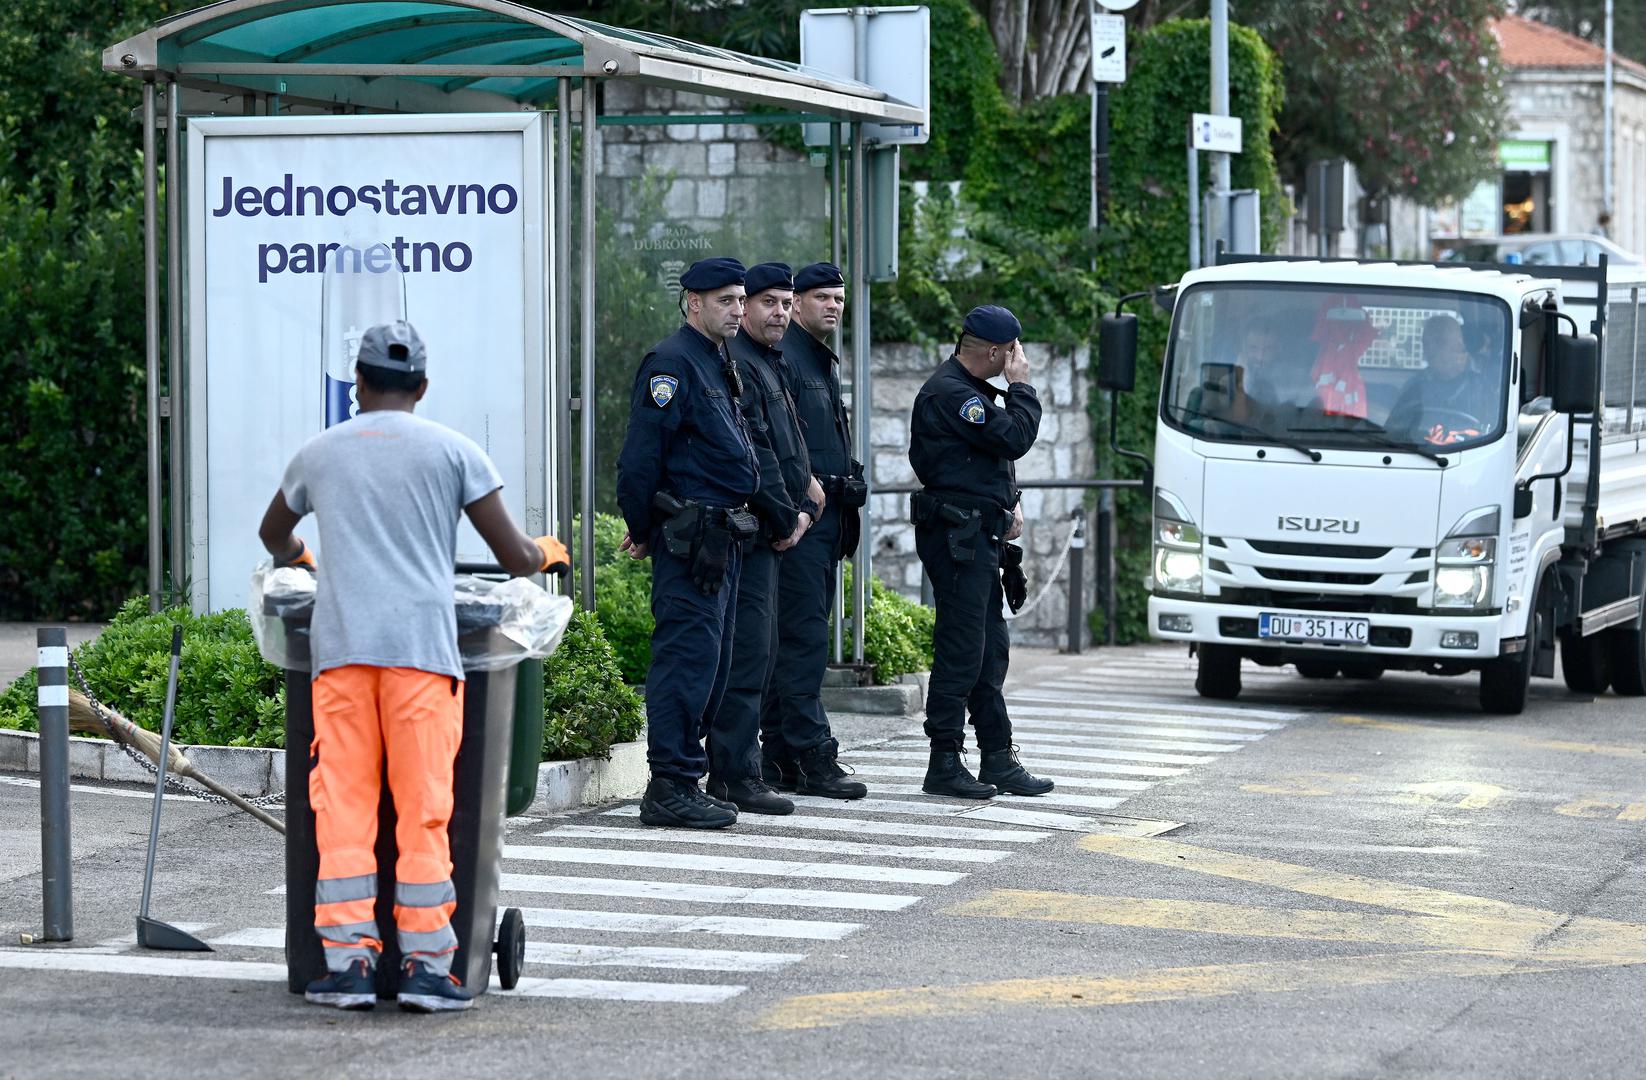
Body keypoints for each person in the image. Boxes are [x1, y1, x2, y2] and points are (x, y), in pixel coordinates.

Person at [257, 321, 568, 1013]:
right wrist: (546, 549)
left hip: (339, 658)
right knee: (426, 811)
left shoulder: (320, 453)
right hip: (424, 659)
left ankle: (348, 967)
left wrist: (301, 561)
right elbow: (515, 558)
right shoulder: (456, 453)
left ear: (357, 385)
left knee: (343, 811)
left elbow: (274, 534)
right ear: (422, 387)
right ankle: (428, 968)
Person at [616, 256, 761, 829]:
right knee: (686, 659)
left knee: (714, 663)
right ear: (693, 302)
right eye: (726, 300)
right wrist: (644, 525)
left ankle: (684, 778)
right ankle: (669, 785)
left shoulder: (715, 360)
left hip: (719, 536)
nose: (737, 310)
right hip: (689, 537)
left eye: (740, 299)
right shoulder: (671, 363)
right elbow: (640, 457)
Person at [908, 305, 1054, 800]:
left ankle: (997, 755)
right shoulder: (951, 393)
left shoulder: (970, 392)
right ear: (995, 351)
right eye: (1013, 351)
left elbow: (987, 462)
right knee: (962, 648)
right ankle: (944, 760)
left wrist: (1007, 504)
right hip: (956, 538)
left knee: (989, 651)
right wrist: (1022, 388)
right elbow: (1013, 437)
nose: (1019, 359)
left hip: (977, 536)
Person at [704, 262, 824, 816]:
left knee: (764, 651)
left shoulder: (770, 362)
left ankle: (750, 768)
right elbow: (759, 456)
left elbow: (788, 445)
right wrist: (789, 516)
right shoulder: (743, 366)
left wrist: (806, 497)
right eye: (766, 303)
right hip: (756, 533)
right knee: (748, 655)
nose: (778, 313)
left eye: (784, 302)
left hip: (777, 526)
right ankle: (732, 774)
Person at [761, 261, 867, 800]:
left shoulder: (817, 359)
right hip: (803, 522)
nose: (832, 306)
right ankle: (810, 753)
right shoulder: (787, 359)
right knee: (801, 641)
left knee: (799, 639)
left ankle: (779, 754)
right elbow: (783, 448)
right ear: (797, 302)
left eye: (838, 299)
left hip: (825, 522)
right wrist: (818, 489)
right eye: (821, 297)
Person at [1388, 313, 1498, 443]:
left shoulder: (1482, 387)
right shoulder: (1414, 386)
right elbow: (1393, 434)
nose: (1431, 349)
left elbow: (1493, 433)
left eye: (1440, 342)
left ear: (1460, 345)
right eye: (1426, 343)